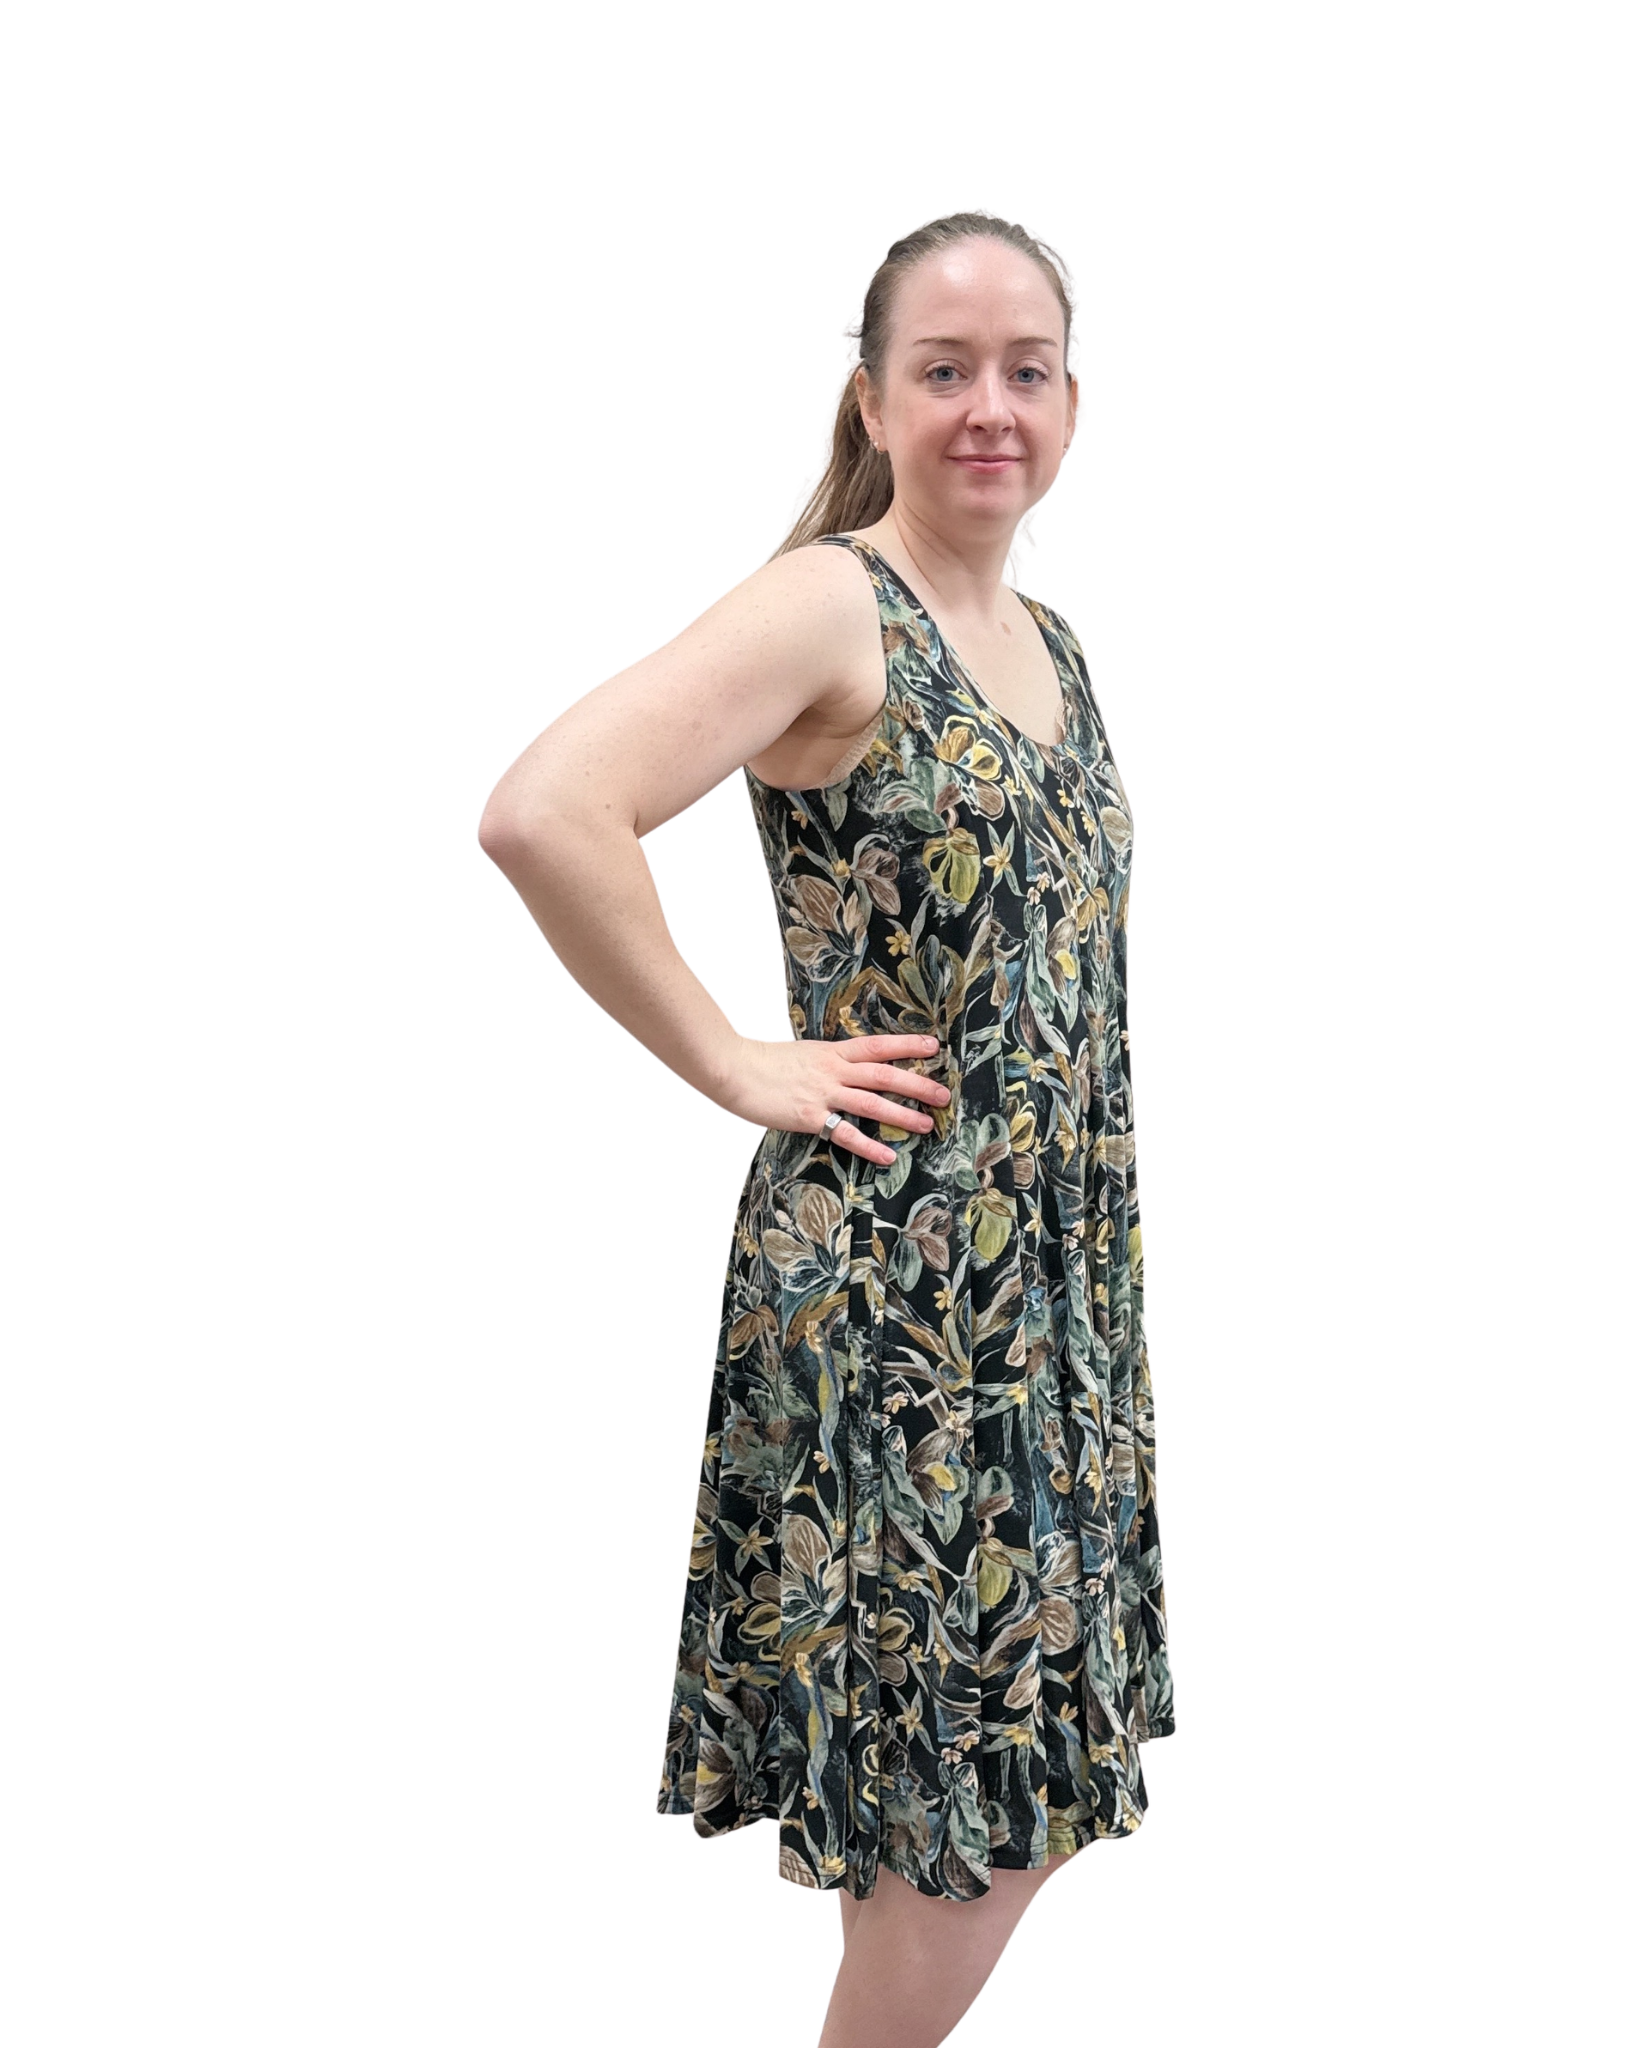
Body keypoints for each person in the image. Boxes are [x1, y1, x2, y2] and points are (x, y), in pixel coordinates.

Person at [478, 210, 1175, 2048]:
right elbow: (551, 809)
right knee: (959, 1831)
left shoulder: (1053, 643)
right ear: (869, 399)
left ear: (1074, 402)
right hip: (900, 1314)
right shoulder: (831, 602)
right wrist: (731, 1055)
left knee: (996, 1800)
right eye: (943, 369)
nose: (987, 408)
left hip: (1048, 1319)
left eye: (1025, 369)